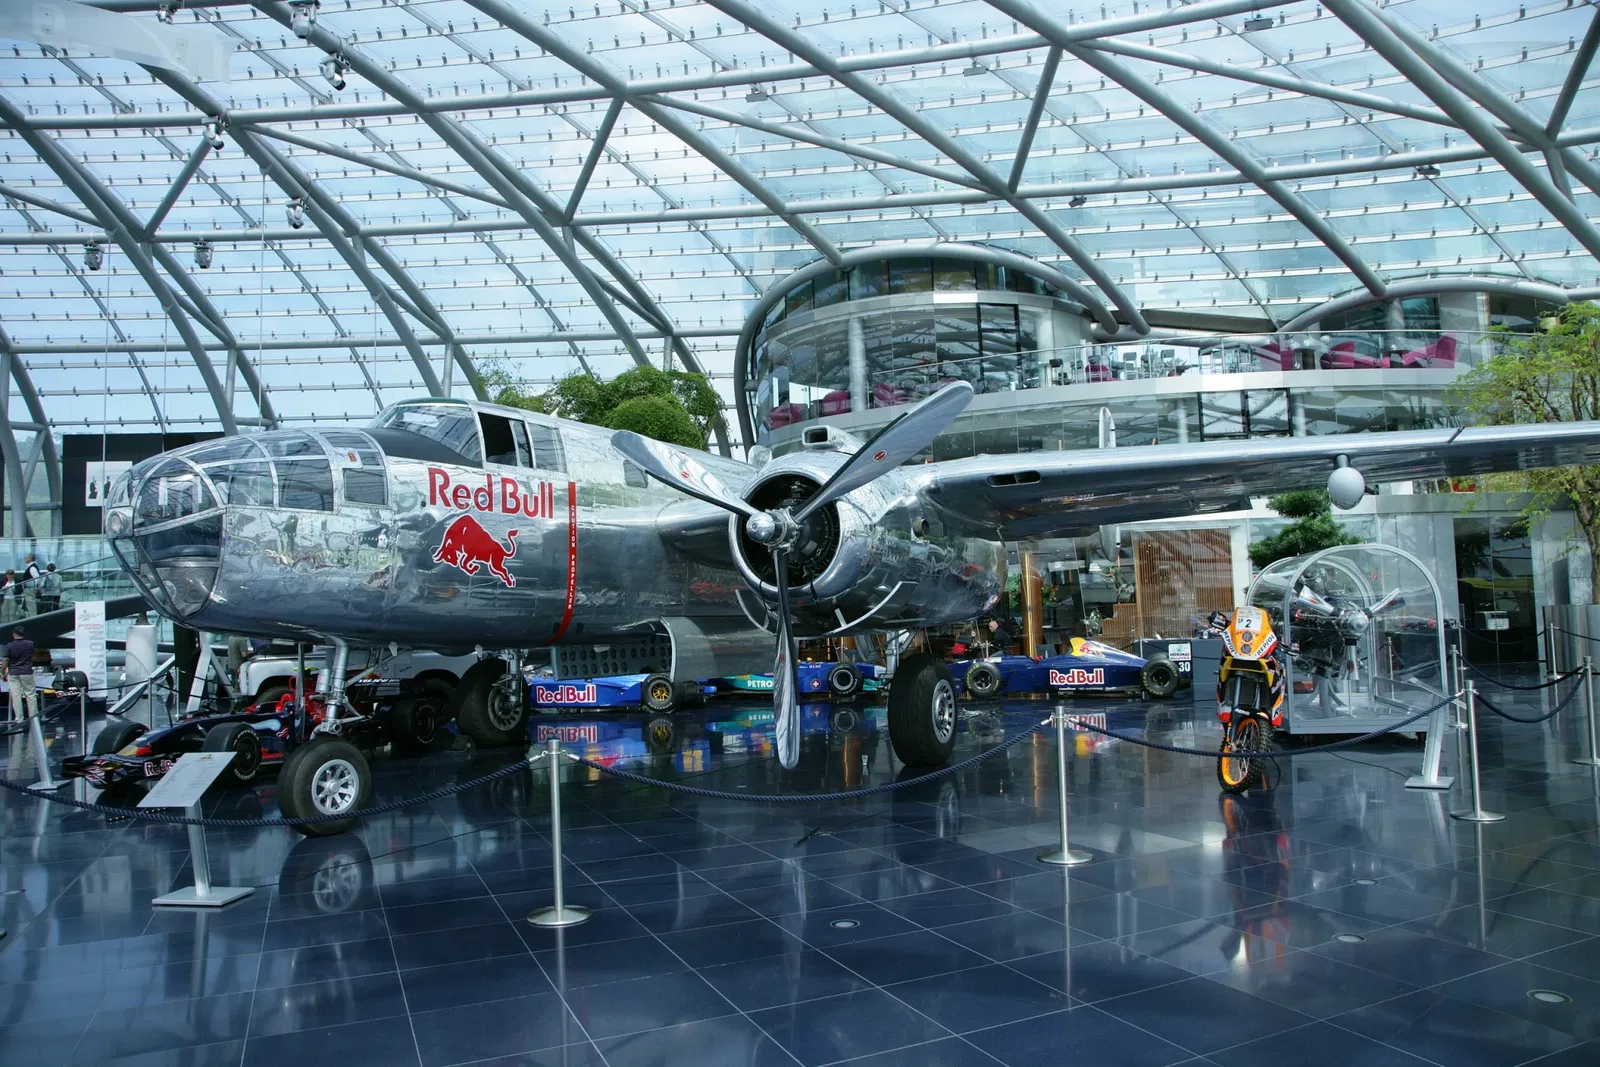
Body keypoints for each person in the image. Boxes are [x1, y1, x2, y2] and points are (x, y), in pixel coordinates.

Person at [4, 627, 36, 724]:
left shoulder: (9, 646)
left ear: (14, 634)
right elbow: (32, 656)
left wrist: (2, 673)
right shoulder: (30, 644)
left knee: (16, 696)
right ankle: (33, 717)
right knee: (30, 695)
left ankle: (19, 719)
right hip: (27, 672)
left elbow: (5, 660)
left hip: (13, 673)